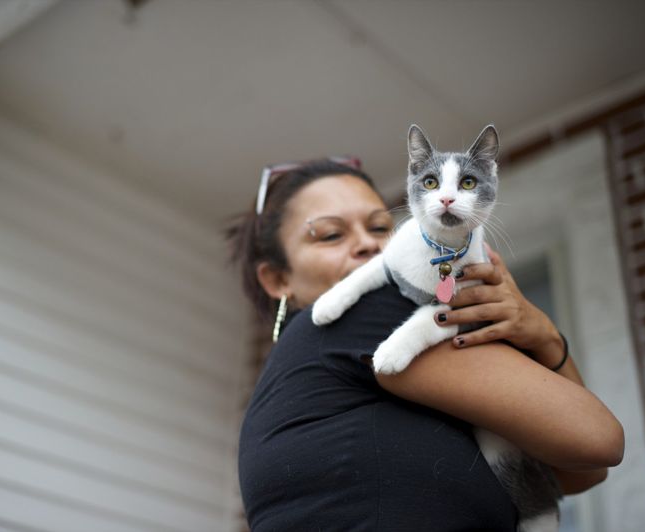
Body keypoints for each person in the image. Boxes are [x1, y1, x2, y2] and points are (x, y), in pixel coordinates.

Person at [227, 157, 624, 531]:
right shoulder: (362, 322)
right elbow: (598, 442)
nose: (367, 244)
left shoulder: (306, 378)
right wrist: (545, 336)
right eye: (331, 234)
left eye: (381, 227)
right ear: (277, 280)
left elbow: (576, 471)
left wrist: (543, 336)